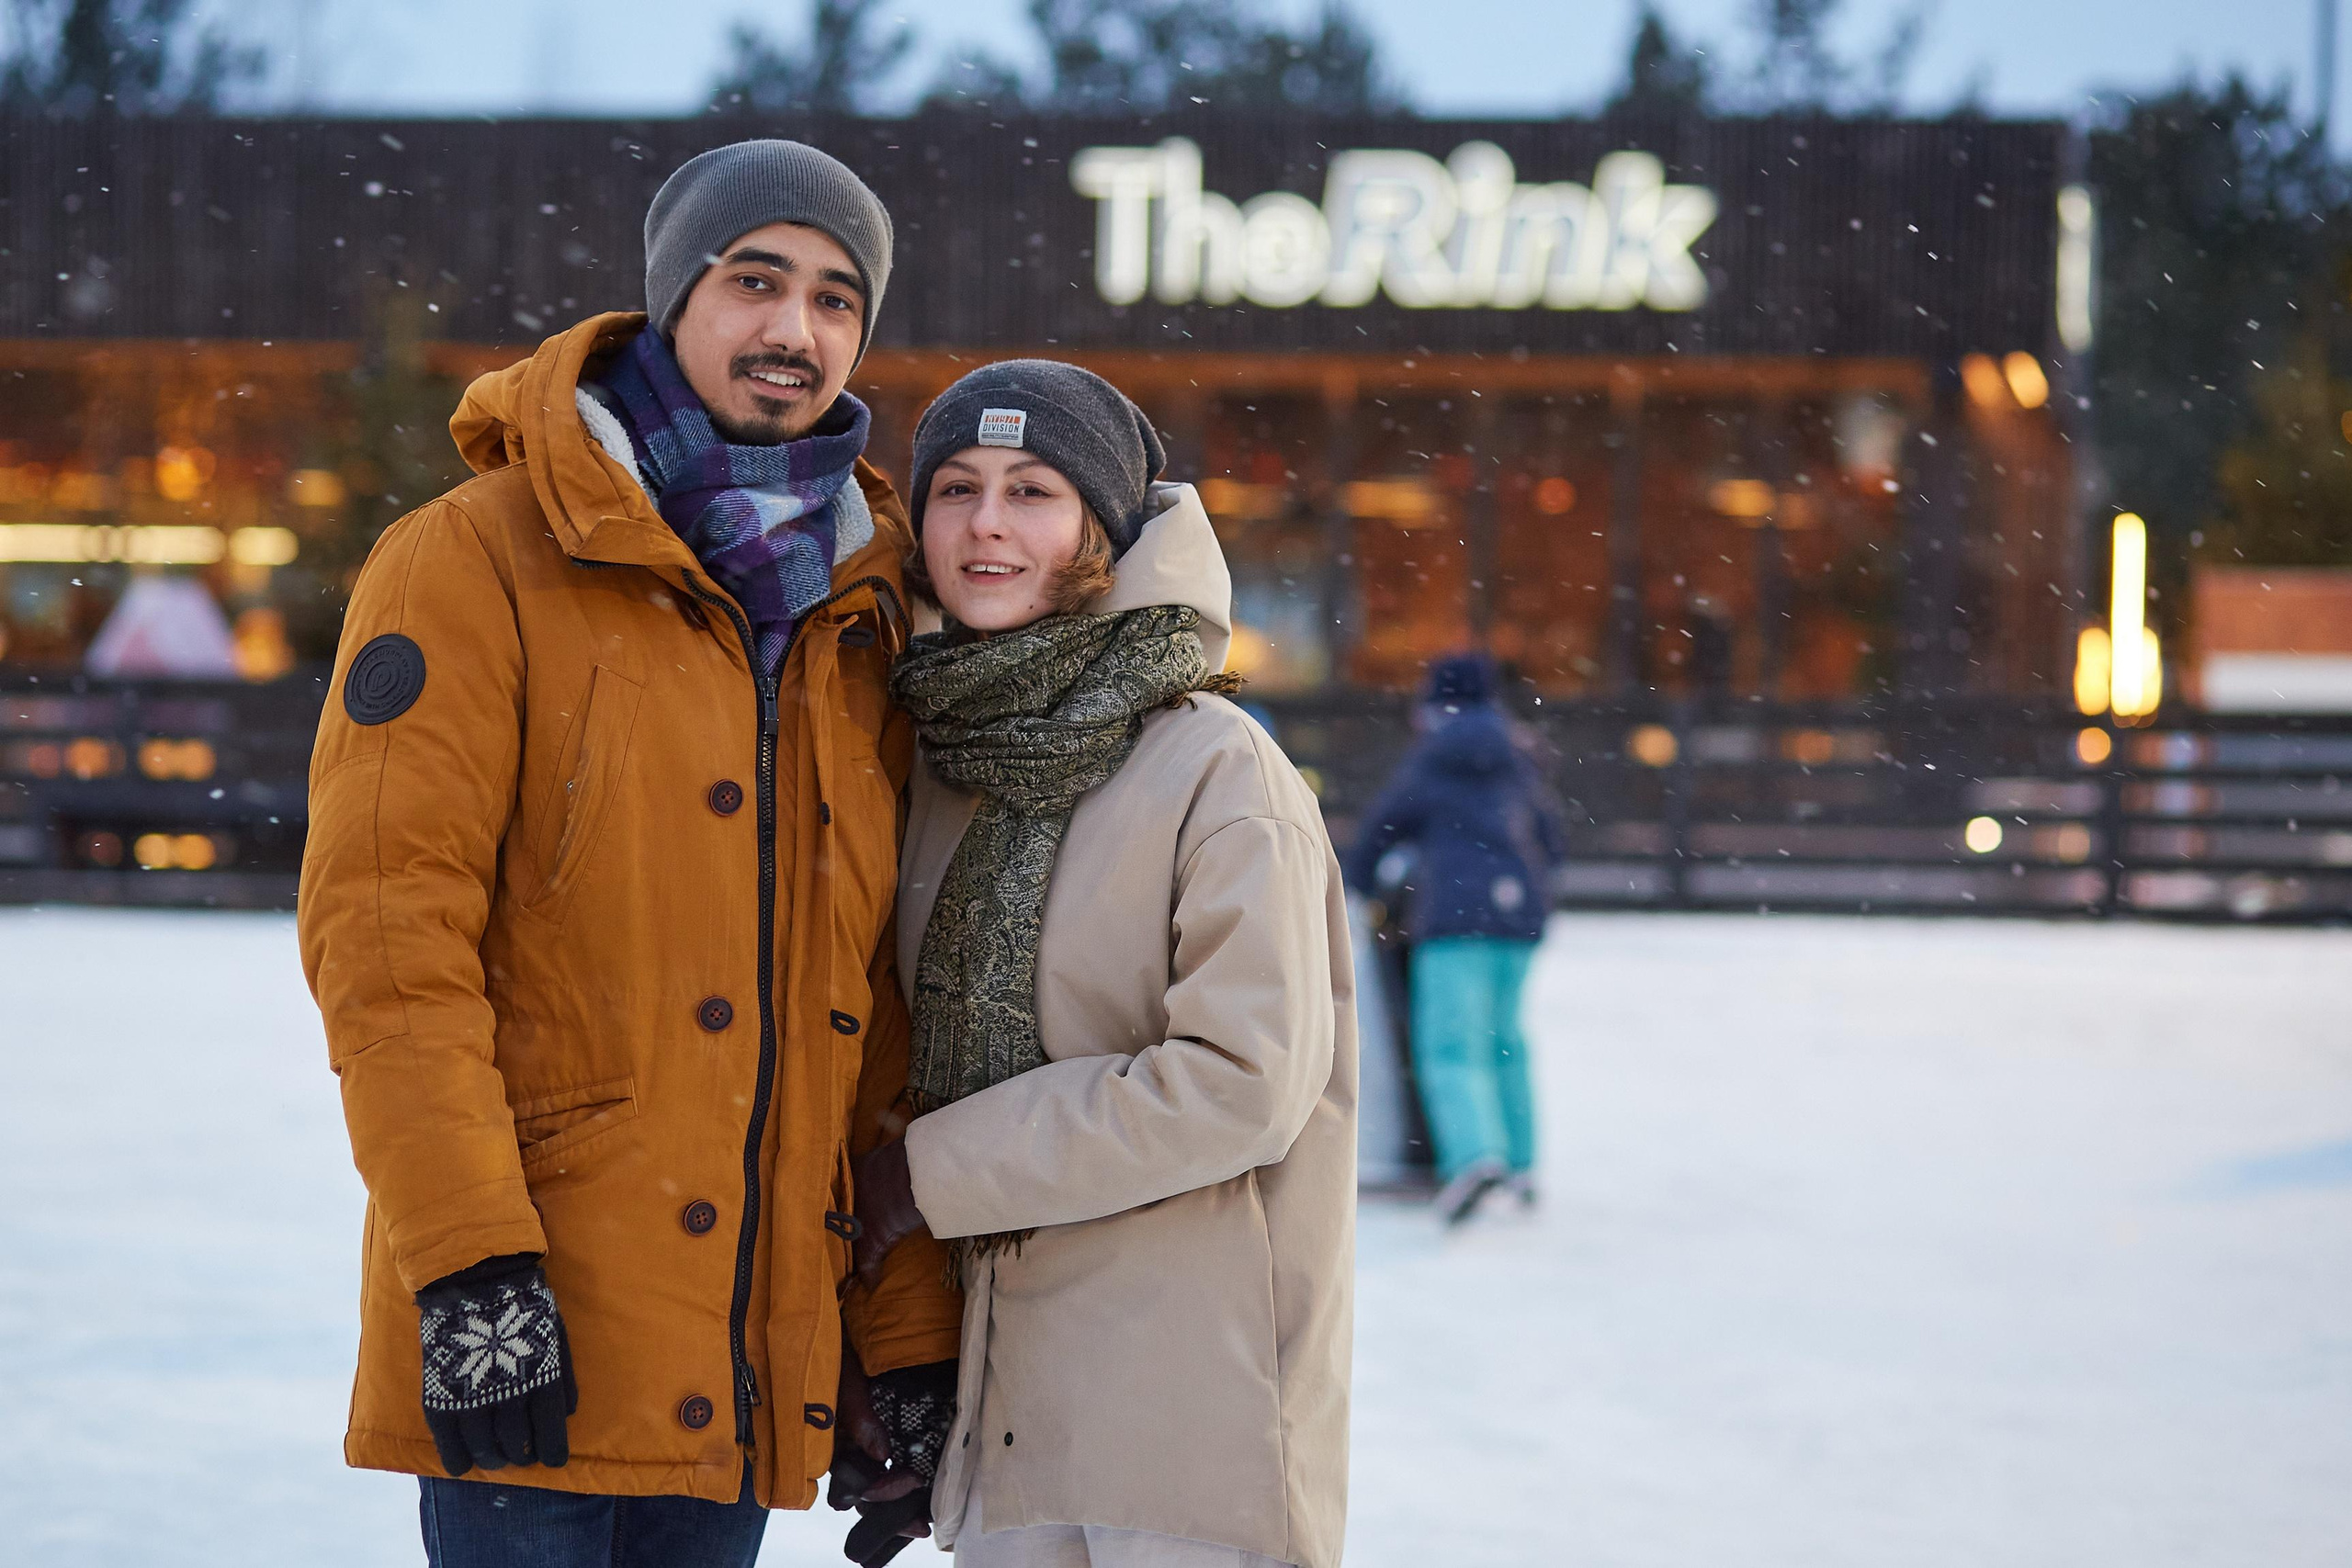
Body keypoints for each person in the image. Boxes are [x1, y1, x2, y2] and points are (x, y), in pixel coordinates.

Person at [297, 139, 963, 1568]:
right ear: (673, 299)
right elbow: (387, 939)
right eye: (757, 280)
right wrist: (472, 1259)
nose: (797, 330)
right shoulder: (469, 560)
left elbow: (876, 1006)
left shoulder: (862, 612)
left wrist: (900, 1337)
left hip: (739, 1352)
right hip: (536, 1328)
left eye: (838, 298)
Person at [845, 360, 1358, 1568]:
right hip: (1008, 1413)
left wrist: (929, 1171)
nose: (985, 522)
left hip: (1188, 1422)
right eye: (957, 486)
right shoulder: (927, 765)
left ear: (1101, 530)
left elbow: (1240, 1078)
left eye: (1033, 489)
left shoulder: (1216, 771)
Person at [1343, 654, 1565, 1224]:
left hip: (1455, 916)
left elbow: (1379, 830)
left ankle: (1472, 1160)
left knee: (1450, 1043)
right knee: (1505, 1040)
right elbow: (1551, 836)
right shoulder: (1519, 754)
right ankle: (1521, 1163)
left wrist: (1360, 885)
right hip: (1520, 918)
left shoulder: (1434, 758)